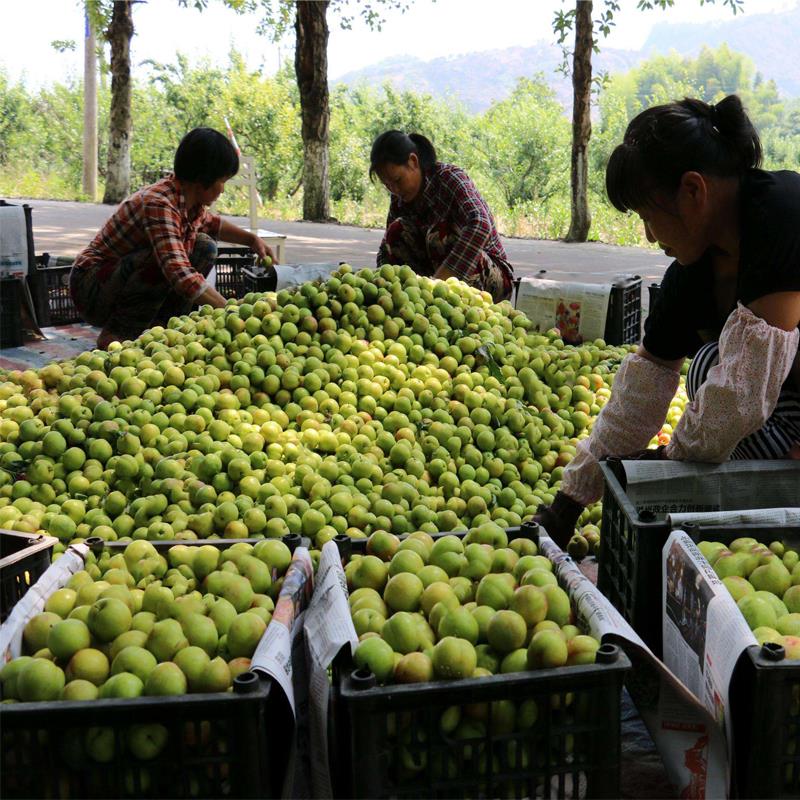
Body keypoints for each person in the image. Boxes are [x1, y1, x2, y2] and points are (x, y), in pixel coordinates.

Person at [537, 94, 800, 548]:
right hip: (783, 410)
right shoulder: (691, 276)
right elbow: (638, 398)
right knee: (706, 367)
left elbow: (742, 399)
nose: (649, 235)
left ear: (693, 192)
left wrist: (665, 464)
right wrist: (572, 497)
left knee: (719, 384)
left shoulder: (783, 216)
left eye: (647, 216)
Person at [70, 127, 275, 349]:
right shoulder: (159, 203)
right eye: (222, 181)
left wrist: (251, 240)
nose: (223, 190)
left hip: (121, 281)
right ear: (202, 181)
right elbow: (180, 274)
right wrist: (231, 312)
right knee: (164, 263)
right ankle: (117, 336)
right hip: (91, 288)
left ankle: (165, 329)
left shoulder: (189, 202)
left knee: (204, 246)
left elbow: (213, 224)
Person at [370, 130, 514, 303]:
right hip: (436, 282)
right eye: (388, 185)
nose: (394, 189)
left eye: (398, 180)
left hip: (491, 279)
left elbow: (481, 224)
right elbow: (389, 247)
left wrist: (439, 282)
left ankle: (450, 301)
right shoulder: (399, 198)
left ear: (413, 162)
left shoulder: (450, 178)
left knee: (440, 235)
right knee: (397, 231)